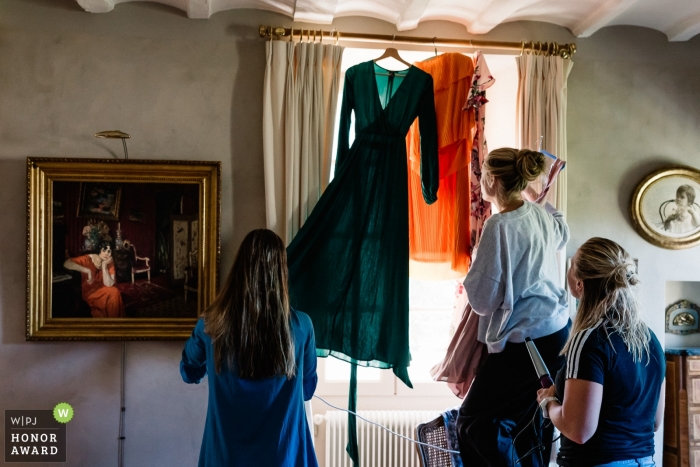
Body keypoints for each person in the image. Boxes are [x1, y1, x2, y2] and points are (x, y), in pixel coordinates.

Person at [456, 148, 571, 466]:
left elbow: (481, 301)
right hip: (557, 331)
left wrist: (473, 270)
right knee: (524, 427)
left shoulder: (499, 225)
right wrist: (538, 197)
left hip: (527, 340)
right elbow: (563, 233)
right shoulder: (539, 213)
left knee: (474, 423)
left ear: (491, 179)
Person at [180, 229, 318, 467]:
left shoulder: (210, 325)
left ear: (238, 271)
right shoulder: (302, 326)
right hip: (284, 458)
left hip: (225, 458)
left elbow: (189, 372)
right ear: (281, 272)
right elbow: (306, 390)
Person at [537, 237, 665, 467]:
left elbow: (579, 431)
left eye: (573, 264)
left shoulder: (588, 339)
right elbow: (654, 422)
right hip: (644, 461)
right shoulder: (650, 340)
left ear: (580, 284)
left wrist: (548, 404)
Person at [63, 241, 125, 318]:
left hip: (104, 290)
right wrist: (87, 270)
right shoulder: (88, 259)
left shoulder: (109, 262)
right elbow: (66, 263)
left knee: (113, 292)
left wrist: (104, 265)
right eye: (104, 250)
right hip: (90, 293)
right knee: (113, 293)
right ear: (99, 250)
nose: (106, 253)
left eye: (109, 251)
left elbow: (109, 284)